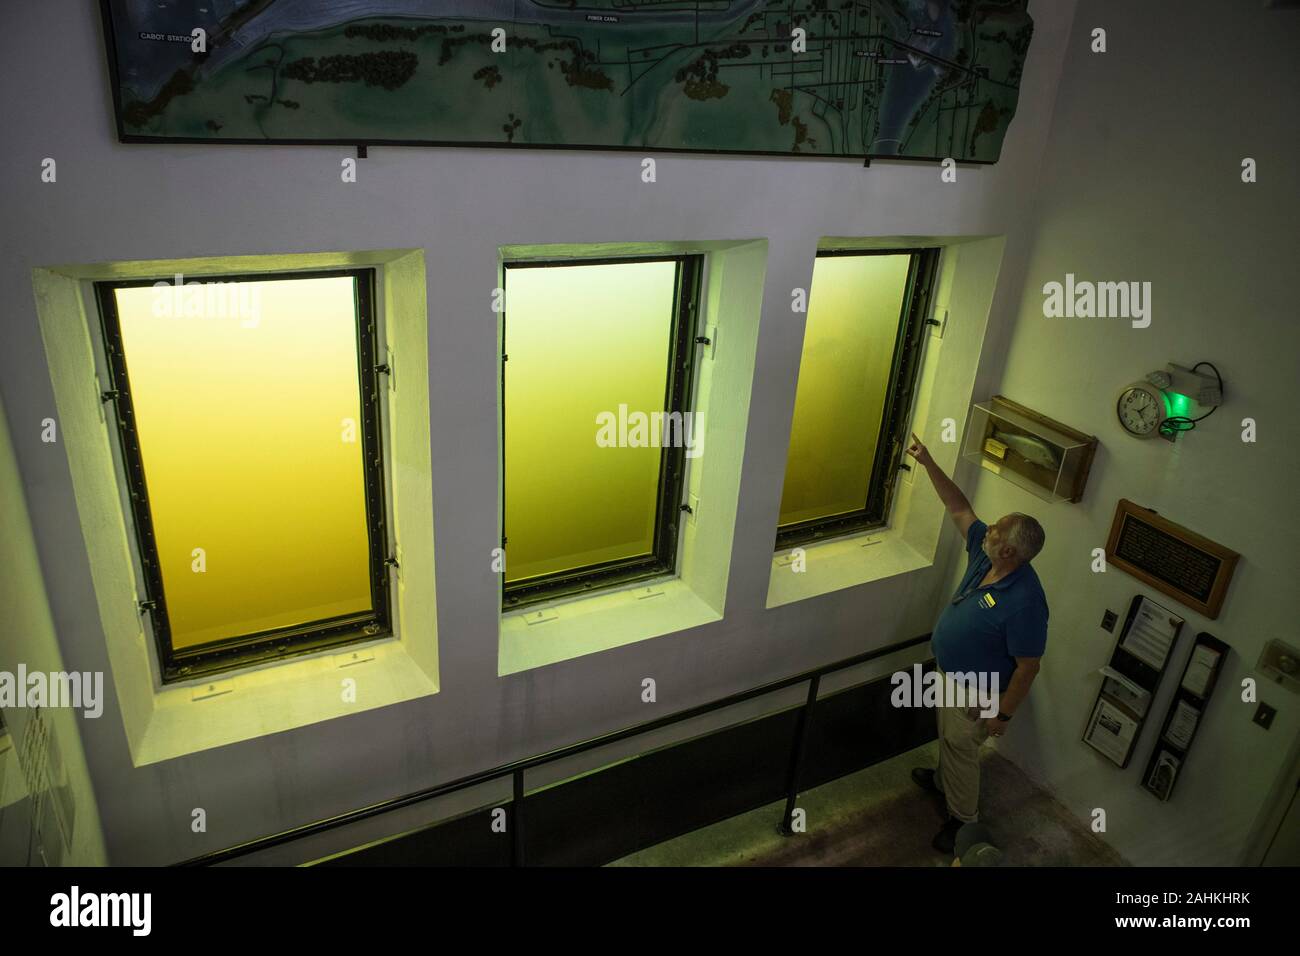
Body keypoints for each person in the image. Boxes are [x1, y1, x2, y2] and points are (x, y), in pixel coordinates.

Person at [905, 432, 1048, 855]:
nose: (989, 528)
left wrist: (1002, 715)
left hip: (978, 690)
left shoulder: (1025, 603)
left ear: (1008, 550)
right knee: (950, 738)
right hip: (950, 675)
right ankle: (941, 781)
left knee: (961, 747)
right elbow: (958, 506)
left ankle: (963, 821)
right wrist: (928, 462)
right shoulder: (987, 555)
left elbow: (1029, 666)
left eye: (997, 529)